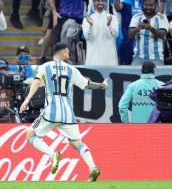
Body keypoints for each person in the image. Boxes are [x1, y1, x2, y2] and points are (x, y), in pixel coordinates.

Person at [20, 42, 108, 182]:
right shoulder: (71, 69)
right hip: (68, 114)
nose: (68, 55)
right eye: (67, 53)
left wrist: (26, 100)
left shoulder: (45, 67)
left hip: (51, 112)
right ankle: (93, 167)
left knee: (30, 135)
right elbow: (86, 84)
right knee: (76, 142)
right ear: (62, 54)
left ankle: (52, 154)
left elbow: (36, 83)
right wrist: (102, 86)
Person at [129, 0, 169, 65]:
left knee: (156, 76)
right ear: (143, 4)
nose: (148, 7)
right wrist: (138, 28)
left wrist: (150, 28)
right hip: (138, 57)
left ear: (156, 5)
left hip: (157, 58)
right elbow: (130, 35)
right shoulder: (136, 17)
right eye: (146, 5)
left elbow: (162, 35)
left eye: (151, 5)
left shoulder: (162, 17)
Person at [82, 0, 119, 65]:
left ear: (105, 2)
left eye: (102, 1)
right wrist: (91, 25)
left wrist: (109, 25)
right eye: (98, 0)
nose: (100, 2)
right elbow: (87, 37)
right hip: (93, 59)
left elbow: (116, 35)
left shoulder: (112, 18)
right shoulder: (87, 19)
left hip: (109, 59)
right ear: (94, 2)